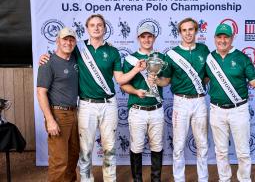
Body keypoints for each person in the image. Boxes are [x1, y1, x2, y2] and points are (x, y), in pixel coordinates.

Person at [40, 14, 145, 182]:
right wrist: (46, 57)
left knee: (109, 148)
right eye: (92, 25)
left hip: (108, 104)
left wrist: (136, 70)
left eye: (99, 25)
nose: (96, 28)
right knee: (85, 150)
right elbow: (62, 54)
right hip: (86, 105)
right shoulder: (78, 47)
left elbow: (119, 79)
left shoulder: (112, 51)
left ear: (104, 28)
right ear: (87, 28)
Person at [150, 18, 210, 182]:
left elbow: (206, 78)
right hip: (180, 103)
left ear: (196, 31)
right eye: (184, 30)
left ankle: (203, 179)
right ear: (180, 32)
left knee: (203, 145)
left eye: (191, 29)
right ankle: (179, 179)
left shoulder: (204, 50)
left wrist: (195, 88)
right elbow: (166, 80)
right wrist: (155, 80)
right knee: (178, 146)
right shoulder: (172, 54)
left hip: (199, 102)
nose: (188, 33)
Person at [206, 23, 255, 182]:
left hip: (239, 110)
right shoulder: (209, 58)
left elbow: (254, 80)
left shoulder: (242, 58)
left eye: (226, 37)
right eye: (220, 37)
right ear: (215, 38)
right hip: (216, 110)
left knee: (243, 152)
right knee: (221, 151)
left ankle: (244, 179)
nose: (223, 40)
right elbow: (203, 79)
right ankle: (224, 179)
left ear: (232, 38)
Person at [121, 24, 165, 182]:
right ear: (138, 38)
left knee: (157, 146)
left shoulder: (160, 57)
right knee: (137, 147)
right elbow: (123, 84)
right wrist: (136, 91)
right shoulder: (130, 59)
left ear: (154, 38)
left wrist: (157, 80)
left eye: (150, 36)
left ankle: (156, 179)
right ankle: (137, 180)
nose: (146, 39)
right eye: (143, 36)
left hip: (156, 109)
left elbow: (166, 81)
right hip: (137, 109)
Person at [37, 27, 79, 182]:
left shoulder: (75, 58)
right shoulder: (48, 62)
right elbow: (41, 92)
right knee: (59, 160)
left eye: (71, 39)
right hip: (58, 114)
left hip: (75, 113)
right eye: (64, 39)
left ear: (75, 42)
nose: (68, 42)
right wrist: (50, 120)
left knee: (73, 156)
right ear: (57, 41)